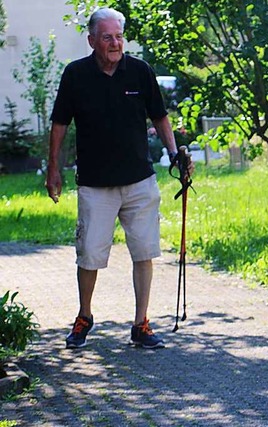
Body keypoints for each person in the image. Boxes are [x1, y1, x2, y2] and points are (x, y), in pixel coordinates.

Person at [45, 7, 193, 350]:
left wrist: (175, 155)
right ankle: (84, 316)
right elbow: (60, 124)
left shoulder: (140, 72)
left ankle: (141, 323)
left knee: (144, 252)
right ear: (92, 40)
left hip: (139, 181)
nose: (115, 43)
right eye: (108, 37)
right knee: (89, 255)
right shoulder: (76, 75)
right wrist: (53, 167)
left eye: (119, 37)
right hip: (95, 184)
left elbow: (160, 117)